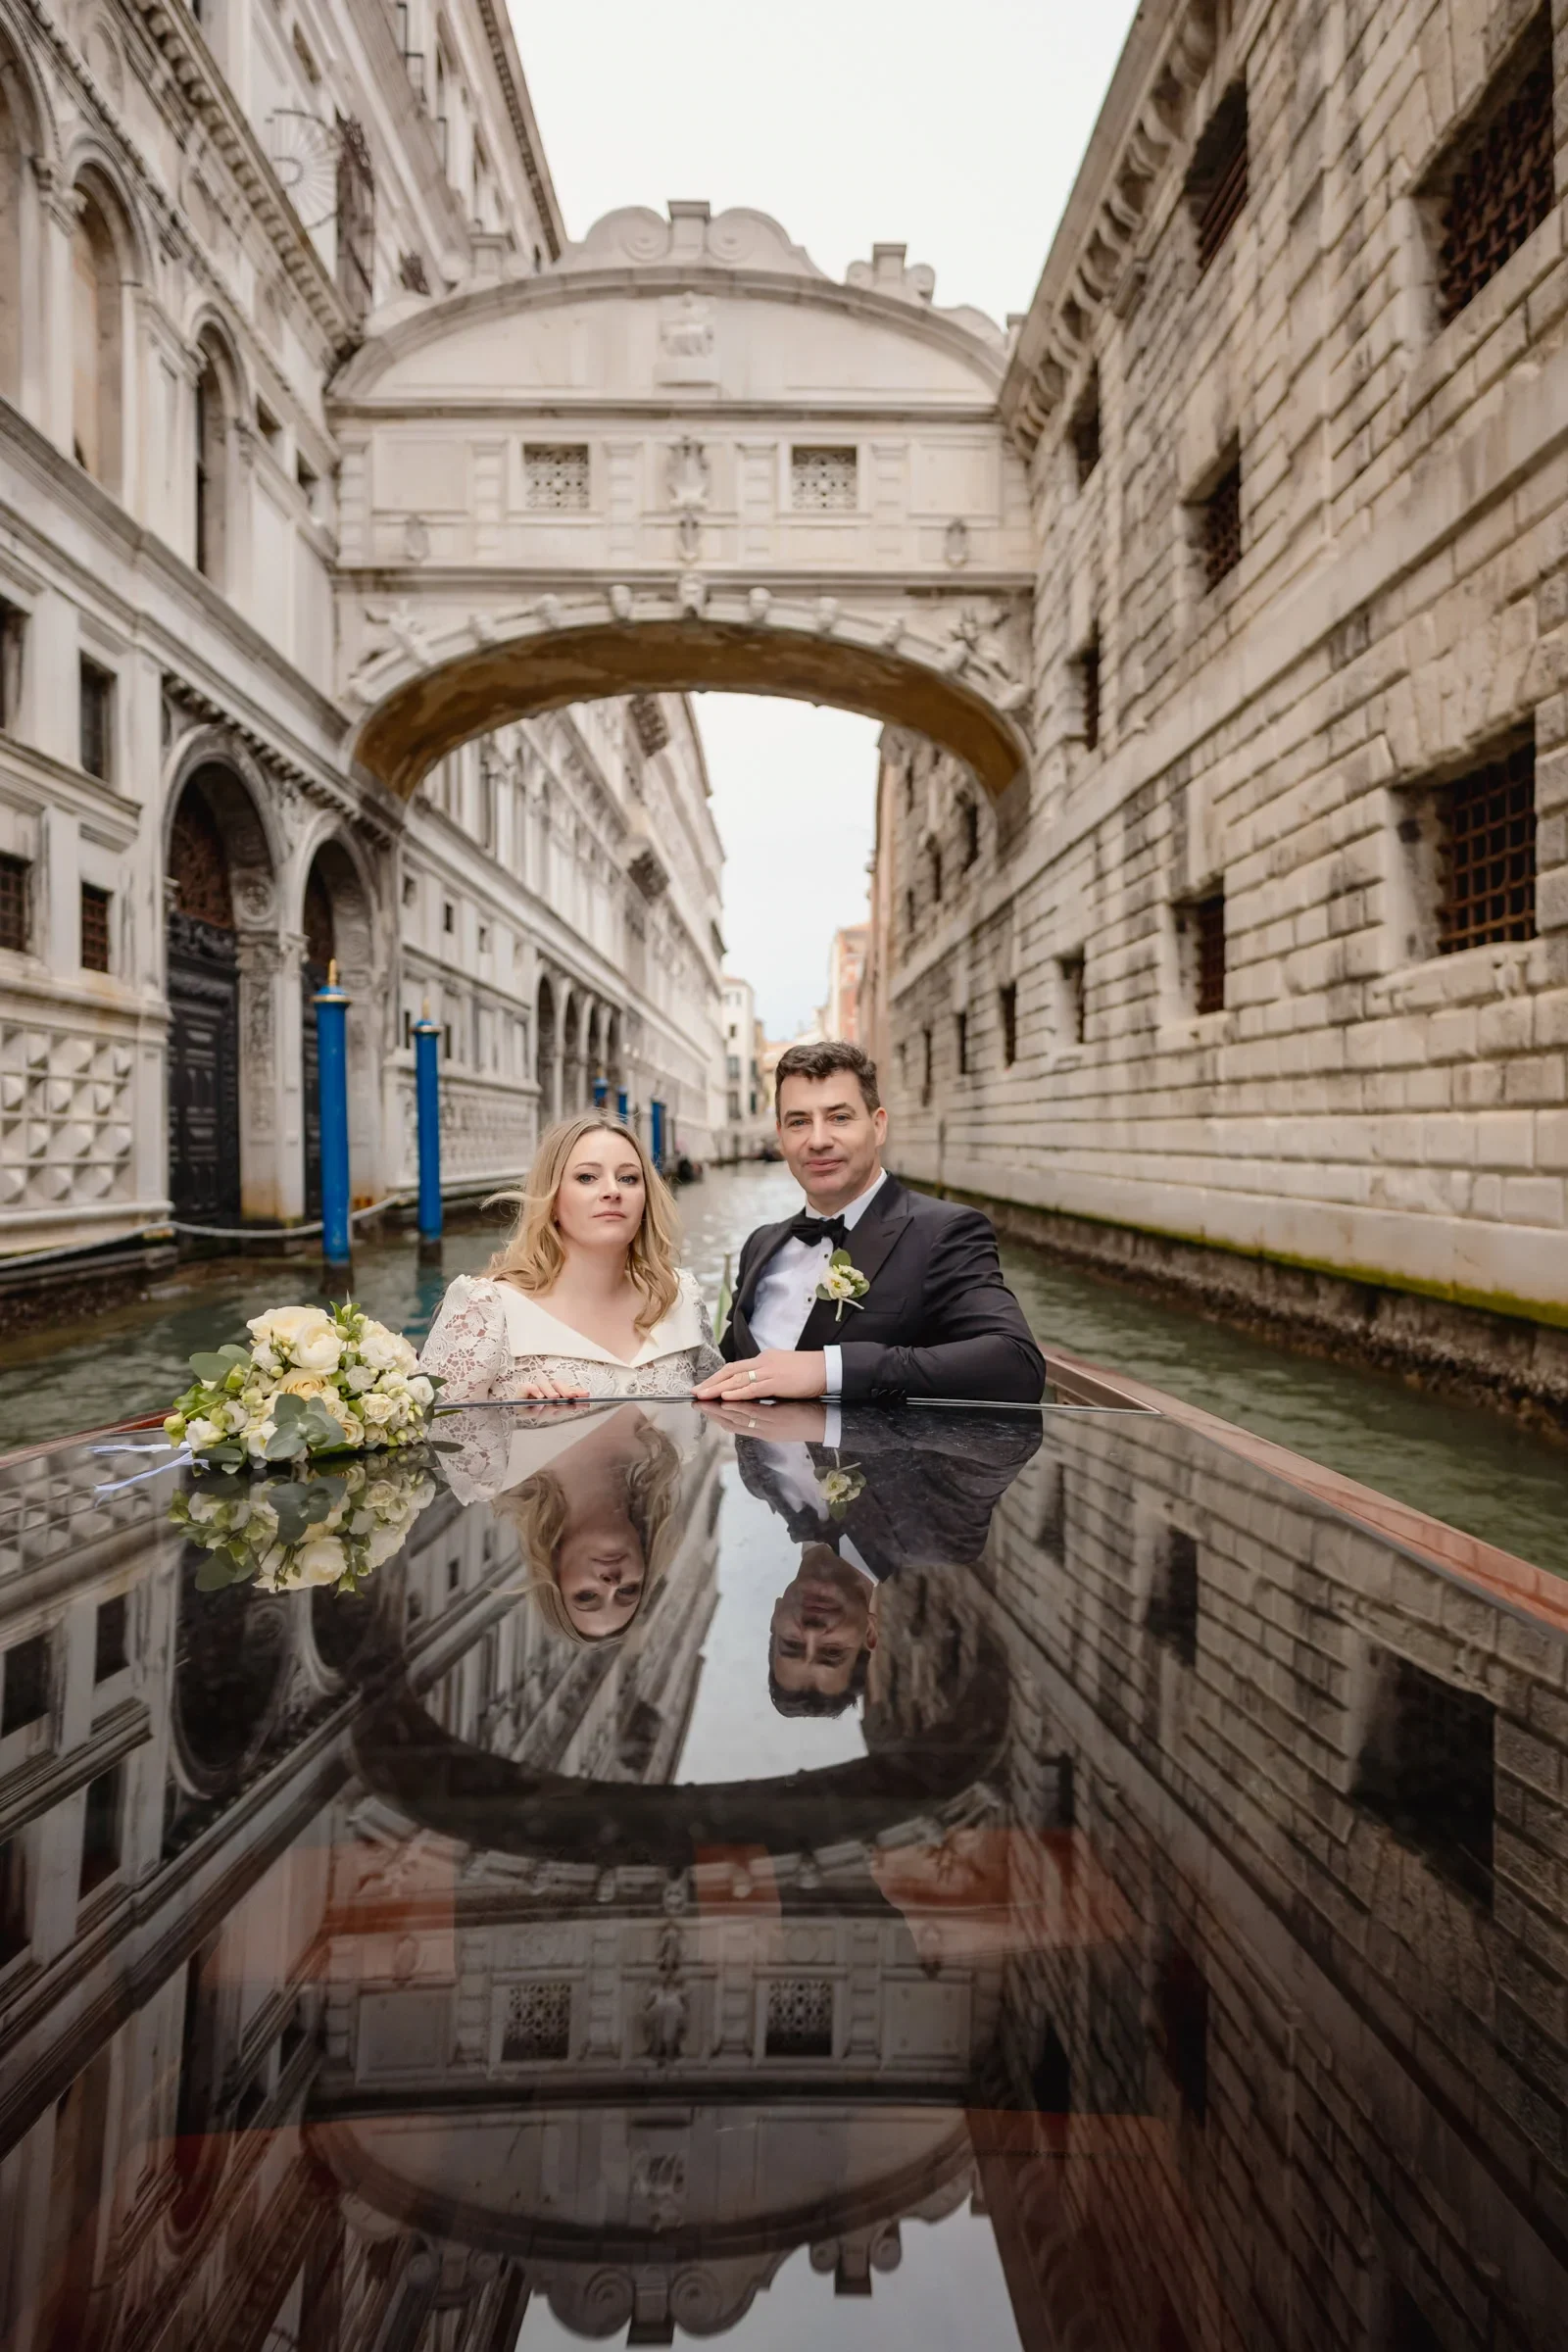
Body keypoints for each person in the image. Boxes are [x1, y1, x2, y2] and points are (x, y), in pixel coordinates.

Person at [695, 1040, 1046, 1406]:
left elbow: (1017, 1365)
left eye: (839, 1118)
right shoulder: (761, 1245)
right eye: (799, 1122)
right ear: (781, 1136)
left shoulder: (945, 1231)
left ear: (878, 1127)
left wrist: (828, 1371)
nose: (817, 1140)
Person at [715, 1397, 1041, 1715]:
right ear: (870, 1634)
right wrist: (829, 1424)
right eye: (831, 1652)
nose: (812, 1632)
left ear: (776, 1618)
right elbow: (1010, 1440)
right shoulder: (942, 1536)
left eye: (792, 1645)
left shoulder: (759, 1482)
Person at [419, 1116, 721, 1401]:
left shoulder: (680, 1296)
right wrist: (511, 1419)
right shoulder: (486, 1308)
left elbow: (719, 1418)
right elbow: (430, 1439)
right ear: (552, 1199)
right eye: (587, 1177)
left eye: (628, 1178)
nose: (612, 1191)